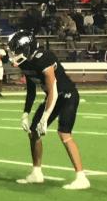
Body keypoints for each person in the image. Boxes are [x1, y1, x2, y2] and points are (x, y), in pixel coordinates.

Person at [7, 30, 90, 190]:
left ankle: (81, 177)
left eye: (16, 49)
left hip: (67, 95)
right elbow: (31, 89)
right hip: (53, 97)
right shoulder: (25, 62)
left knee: (64, 133)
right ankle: (36, 173)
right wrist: (25, 113)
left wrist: (45, 118)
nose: (13, 53)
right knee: (33, 131)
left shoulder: (44, 58)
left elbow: (53, 89)